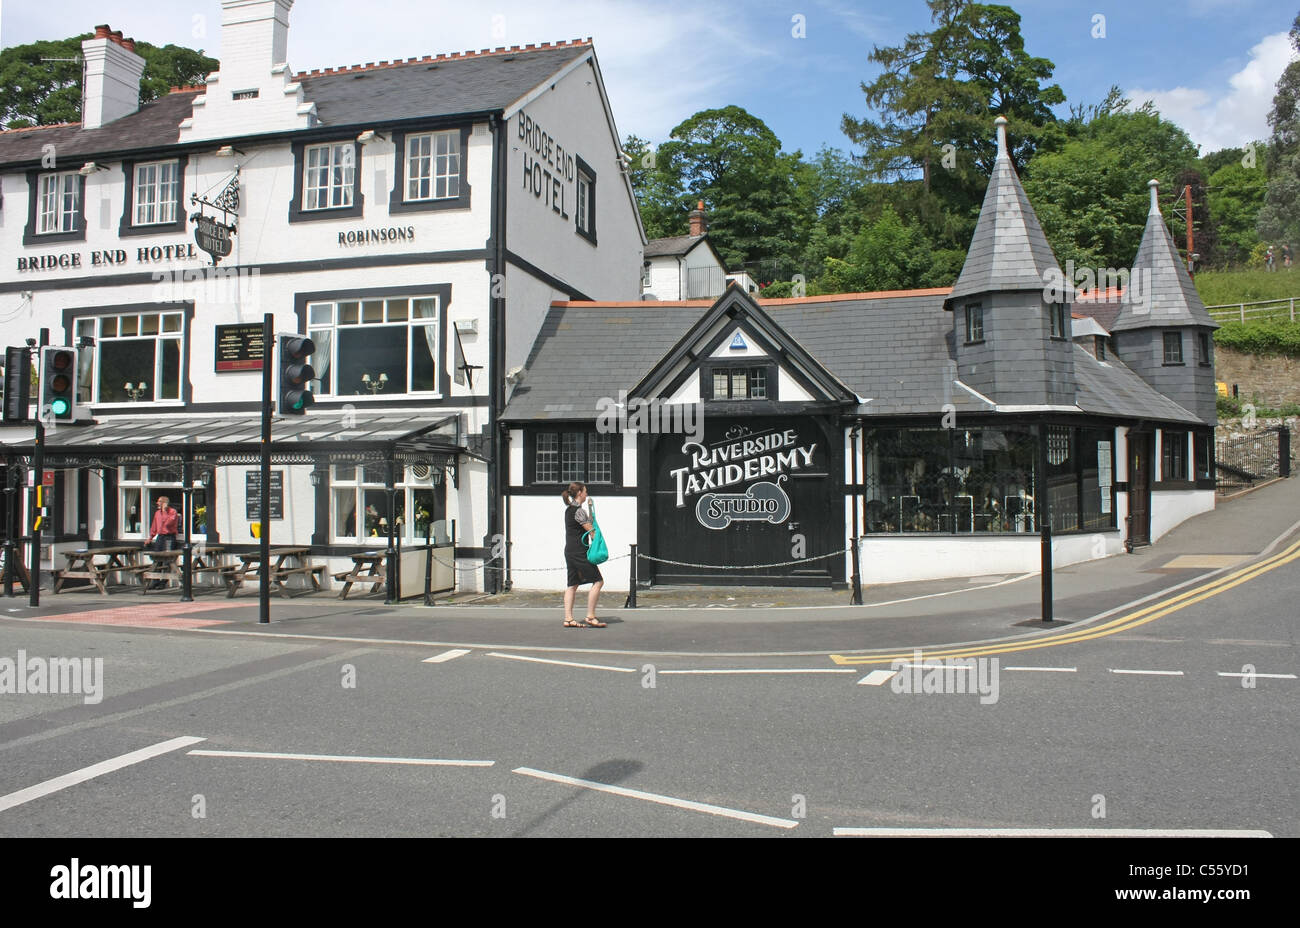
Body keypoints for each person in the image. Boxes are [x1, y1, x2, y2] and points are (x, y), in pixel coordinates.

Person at [561, 481, 605, 627]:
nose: (586, 494)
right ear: (579, 492)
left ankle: (568, 618)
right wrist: (597, 540)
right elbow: (591, 531)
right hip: (580, 551)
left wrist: (590, 509)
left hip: (569, 551)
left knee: (572, 584)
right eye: (585, 491)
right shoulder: (579, 511)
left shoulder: (569, 510)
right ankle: (590, 616)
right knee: (598, 581)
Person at [146, 496, 179, 589]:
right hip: (160, 537)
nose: (157, 503)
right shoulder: (157, 513)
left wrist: (164, 511)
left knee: (168, 560)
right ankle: (155, 581)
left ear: (165, 503)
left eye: (159, 501)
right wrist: (150, 537)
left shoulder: (173, 512)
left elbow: (168, 523)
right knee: (157, 558)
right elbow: (154, 526)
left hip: (169, 537)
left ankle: (163, 582)